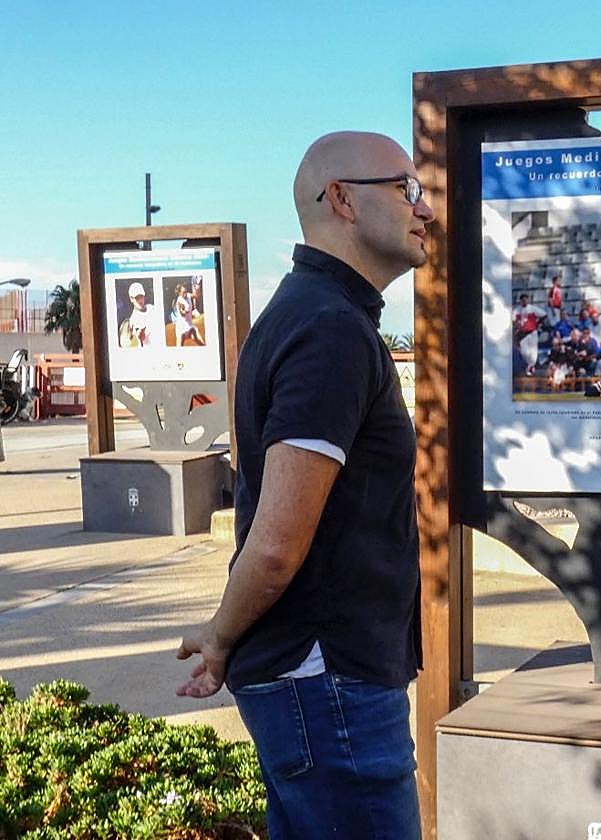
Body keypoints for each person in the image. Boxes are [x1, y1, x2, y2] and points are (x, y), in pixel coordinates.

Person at [175, 131, 434, 840]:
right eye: (407, 189)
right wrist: (221, 638)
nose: (427, 210)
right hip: (328, 684)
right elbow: (278, 542)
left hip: (318, 683)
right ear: (342, 199)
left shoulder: (308, 313)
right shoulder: (331, 331)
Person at [513, 293, 545, 376]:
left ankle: (531, 368)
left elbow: (544, 315)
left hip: (532, 333)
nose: (524, 301)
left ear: (528, 300)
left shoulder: (533, 309)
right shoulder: (516, 310)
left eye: (526, 299)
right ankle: (530, 366)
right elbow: (513, 320)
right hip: (522, 334)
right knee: (524, 352)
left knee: (533, 352)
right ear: (520, 301)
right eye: (523, 300)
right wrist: (516, 326)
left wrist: (537, 323)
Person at [121, 282, 158, 347]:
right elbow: (140, 338)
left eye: (141, 296)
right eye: (137, 298)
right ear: (131, 299)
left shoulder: (152, 308)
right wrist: (140, 333)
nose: (140, 300)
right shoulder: (133, 319)